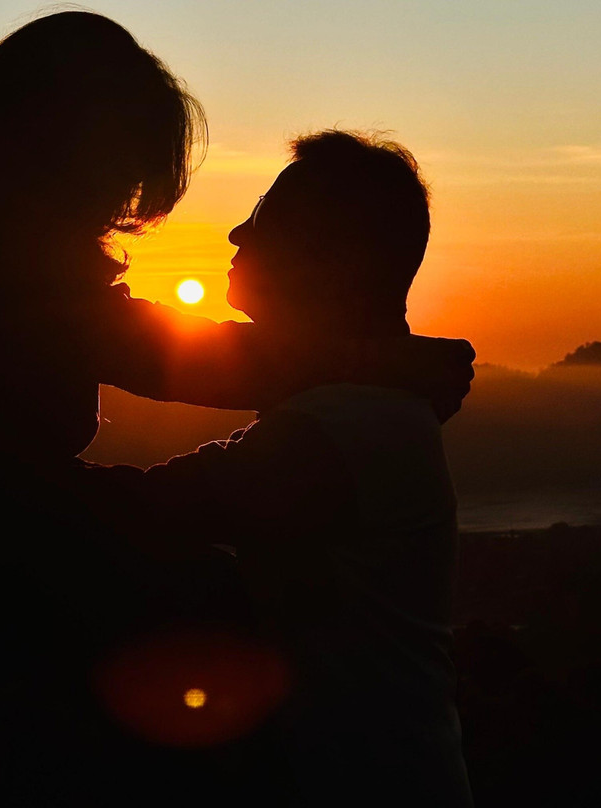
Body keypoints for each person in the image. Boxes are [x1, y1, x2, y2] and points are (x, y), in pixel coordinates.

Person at [0, 11, 474, 696]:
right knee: (209, 615)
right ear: (57, 150)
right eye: (116, 169)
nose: (119, 198)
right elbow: (170, 360)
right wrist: (380, 360)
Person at [89, 130, 474, 805]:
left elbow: (146, 512)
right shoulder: (368, 405)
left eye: (267, 215)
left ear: (335, 259)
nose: (238, 232)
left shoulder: (344, 426)